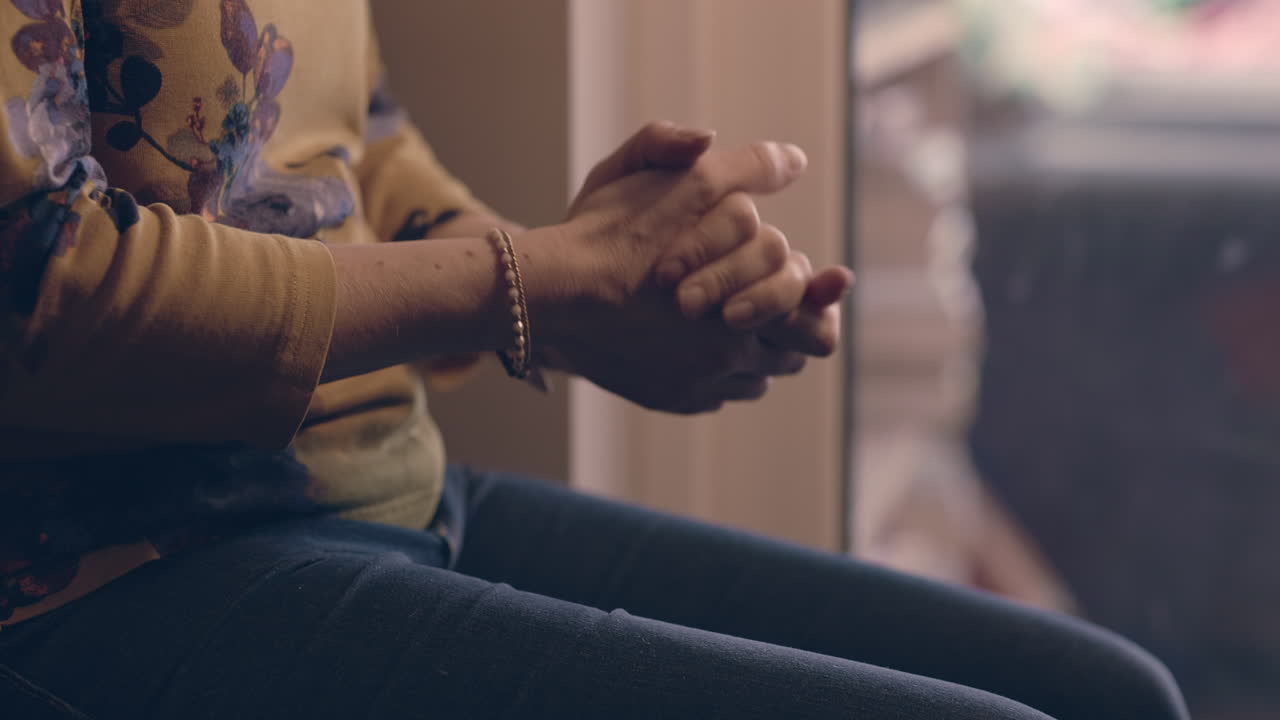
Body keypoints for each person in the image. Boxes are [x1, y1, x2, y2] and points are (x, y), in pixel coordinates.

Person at [0, 1, 1188, 718]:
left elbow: (358, 149)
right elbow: (42, 282)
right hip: (112, 572)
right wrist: (552, 281)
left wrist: (619, 292)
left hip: (380, 497)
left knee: (1109, 701)